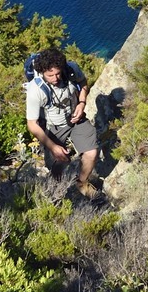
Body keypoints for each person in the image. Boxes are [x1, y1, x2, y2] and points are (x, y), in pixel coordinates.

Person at [25, 48, 101, 199]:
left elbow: (83, 83)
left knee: (92, 153)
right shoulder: (35, 89)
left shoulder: (71, 70)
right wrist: (53, 147)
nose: (55, 78)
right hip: (53, 127)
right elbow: (32, 124)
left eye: (58, 73)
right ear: (42, 72)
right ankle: (59, 189)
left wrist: (81, 103)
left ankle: (82, 183)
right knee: (58, 163)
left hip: (76, 118)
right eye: (50, 75)